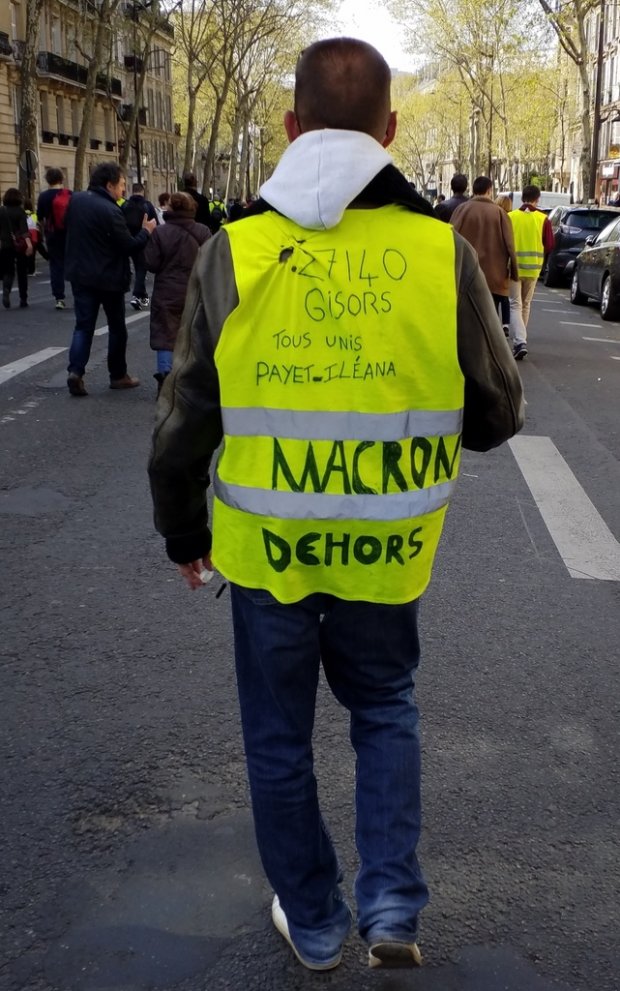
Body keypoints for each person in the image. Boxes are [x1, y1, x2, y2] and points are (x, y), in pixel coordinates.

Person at [149, 37, 524, 973]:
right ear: (391, 131)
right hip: (384, 553)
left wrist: (181, 531)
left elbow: (187, 413)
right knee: (386, 708)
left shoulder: (236, 252)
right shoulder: (437, 253)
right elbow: (497, 411)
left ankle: (314, 923)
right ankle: (392, 905)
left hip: (265, 552)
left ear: (289, 127)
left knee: (279, 738)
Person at [64, 161, 157, 397]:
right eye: (122, 185)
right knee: (117, 328)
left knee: (83, 326)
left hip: (81, 274)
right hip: (108, 278)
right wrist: (146, 231)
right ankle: (118, 375)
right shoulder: (112, 210)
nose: (124, 190)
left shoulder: (75, 202)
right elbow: (128, 245)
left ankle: (75, 371)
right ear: (109, 185)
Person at [144, 191, 210, 396]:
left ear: (170, 209)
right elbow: (209, 262)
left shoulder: (161, 233)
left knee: (166, 334)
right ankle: (190, 380)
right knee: (194, 335)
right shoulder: (203, 231)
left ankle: (165, 377)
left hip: (167, 290)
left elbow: (151, 263)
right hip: (195, 290)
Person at [451, 176, 518, 338]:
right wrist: (514, 272)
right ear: (489, 190)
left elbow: (450, 237)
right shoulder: (500, 214)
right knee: (490, 317)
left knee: (465, 318)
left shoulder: (462, 210)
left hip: (465, 274)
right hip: (494, 276)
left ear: (473, 190)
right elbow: (510, 245)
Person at [508, 184, 554, 360]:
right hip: (533, 269)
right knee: (526, 304)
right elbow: (549, 244)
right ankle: (521, 340)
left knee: (515, 304)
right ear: (537, 199)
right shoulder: (544, 219)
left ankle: (520, 341)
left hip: (514, 267)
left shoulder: (510, 217)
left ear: (522, 198)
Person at [37, 167, 71, 309]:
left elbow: (40, 218)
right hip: (69, 234)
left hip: (52, 234)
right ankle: (78, 292)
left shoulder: (43, 196)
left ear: (47, 180)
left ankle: (59, 298)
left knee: (56, 265)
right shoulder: (69, 194)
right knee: (74, 262)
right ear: (61, 179)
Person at [121, 182, 158, 310]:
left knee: (138, 267)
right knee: (141, 269)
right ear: (143, 191)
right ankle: (137, 296)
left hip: (128, 240)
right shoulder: (147, 205)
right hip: (144, 239)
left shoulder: (125, 205)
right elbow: (155, 224)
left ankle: (143, 296)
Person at [0, 188, 32, 309]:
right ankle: (23, 299)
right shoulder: (20, 211)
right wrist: (29, 244)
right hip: (20, 245)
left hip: (5, 244)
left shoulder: (1, 211)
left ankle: (7, 289)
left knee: (8, 271)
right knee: (22, 271)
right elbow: (24, 231)